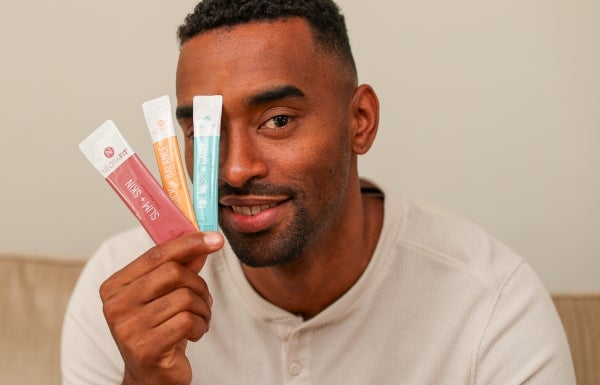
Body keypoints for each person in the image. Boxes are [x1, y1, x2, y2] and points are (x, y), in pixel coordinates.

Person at [61, 0, 576, 384]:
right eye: (204, 132)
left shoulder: (494, 309)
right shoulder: (124, 297)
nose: (235, 169)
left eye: (279, 120)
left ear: (360, 121)